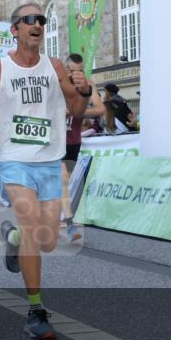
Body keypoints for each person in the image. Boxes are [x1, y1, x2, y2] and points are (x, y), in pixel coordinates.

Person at [0, 2, 91, 340]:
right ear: (14, 30)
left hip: (50, 160)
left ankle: (12, 238)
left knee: (45, 239)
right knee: (33, 228)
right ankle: (35, 310)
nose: (38, 24)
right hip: (15, 160)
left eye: (41, 20)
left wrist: (84, 92)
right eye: (29, 20)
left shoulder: (55, 66)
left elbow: (76, 109)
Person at [62, 53, 105, 241]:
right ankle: (70, 226)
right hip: (55, 141)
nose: (76, 75)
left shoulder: (87, 84)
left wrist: (78, 111)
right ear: (66, 69)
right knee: (62, 181)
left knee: (63, 184)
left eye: (80, 71)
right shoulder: (59, 83)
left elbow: (100, 109)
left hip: (73, 142)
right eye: (73, 71)